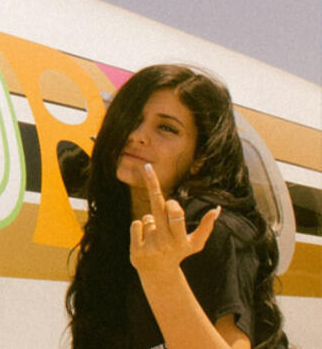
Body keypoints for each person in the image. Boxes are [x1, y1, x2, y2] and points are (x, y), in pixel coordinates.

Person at [65, 65, 288, 348]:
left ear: (201, 158)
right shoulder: (112, 232)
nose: (137, 135)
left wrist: (162, 275)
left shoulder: (213, 230)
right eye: (132, 119)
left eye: (166, 128)